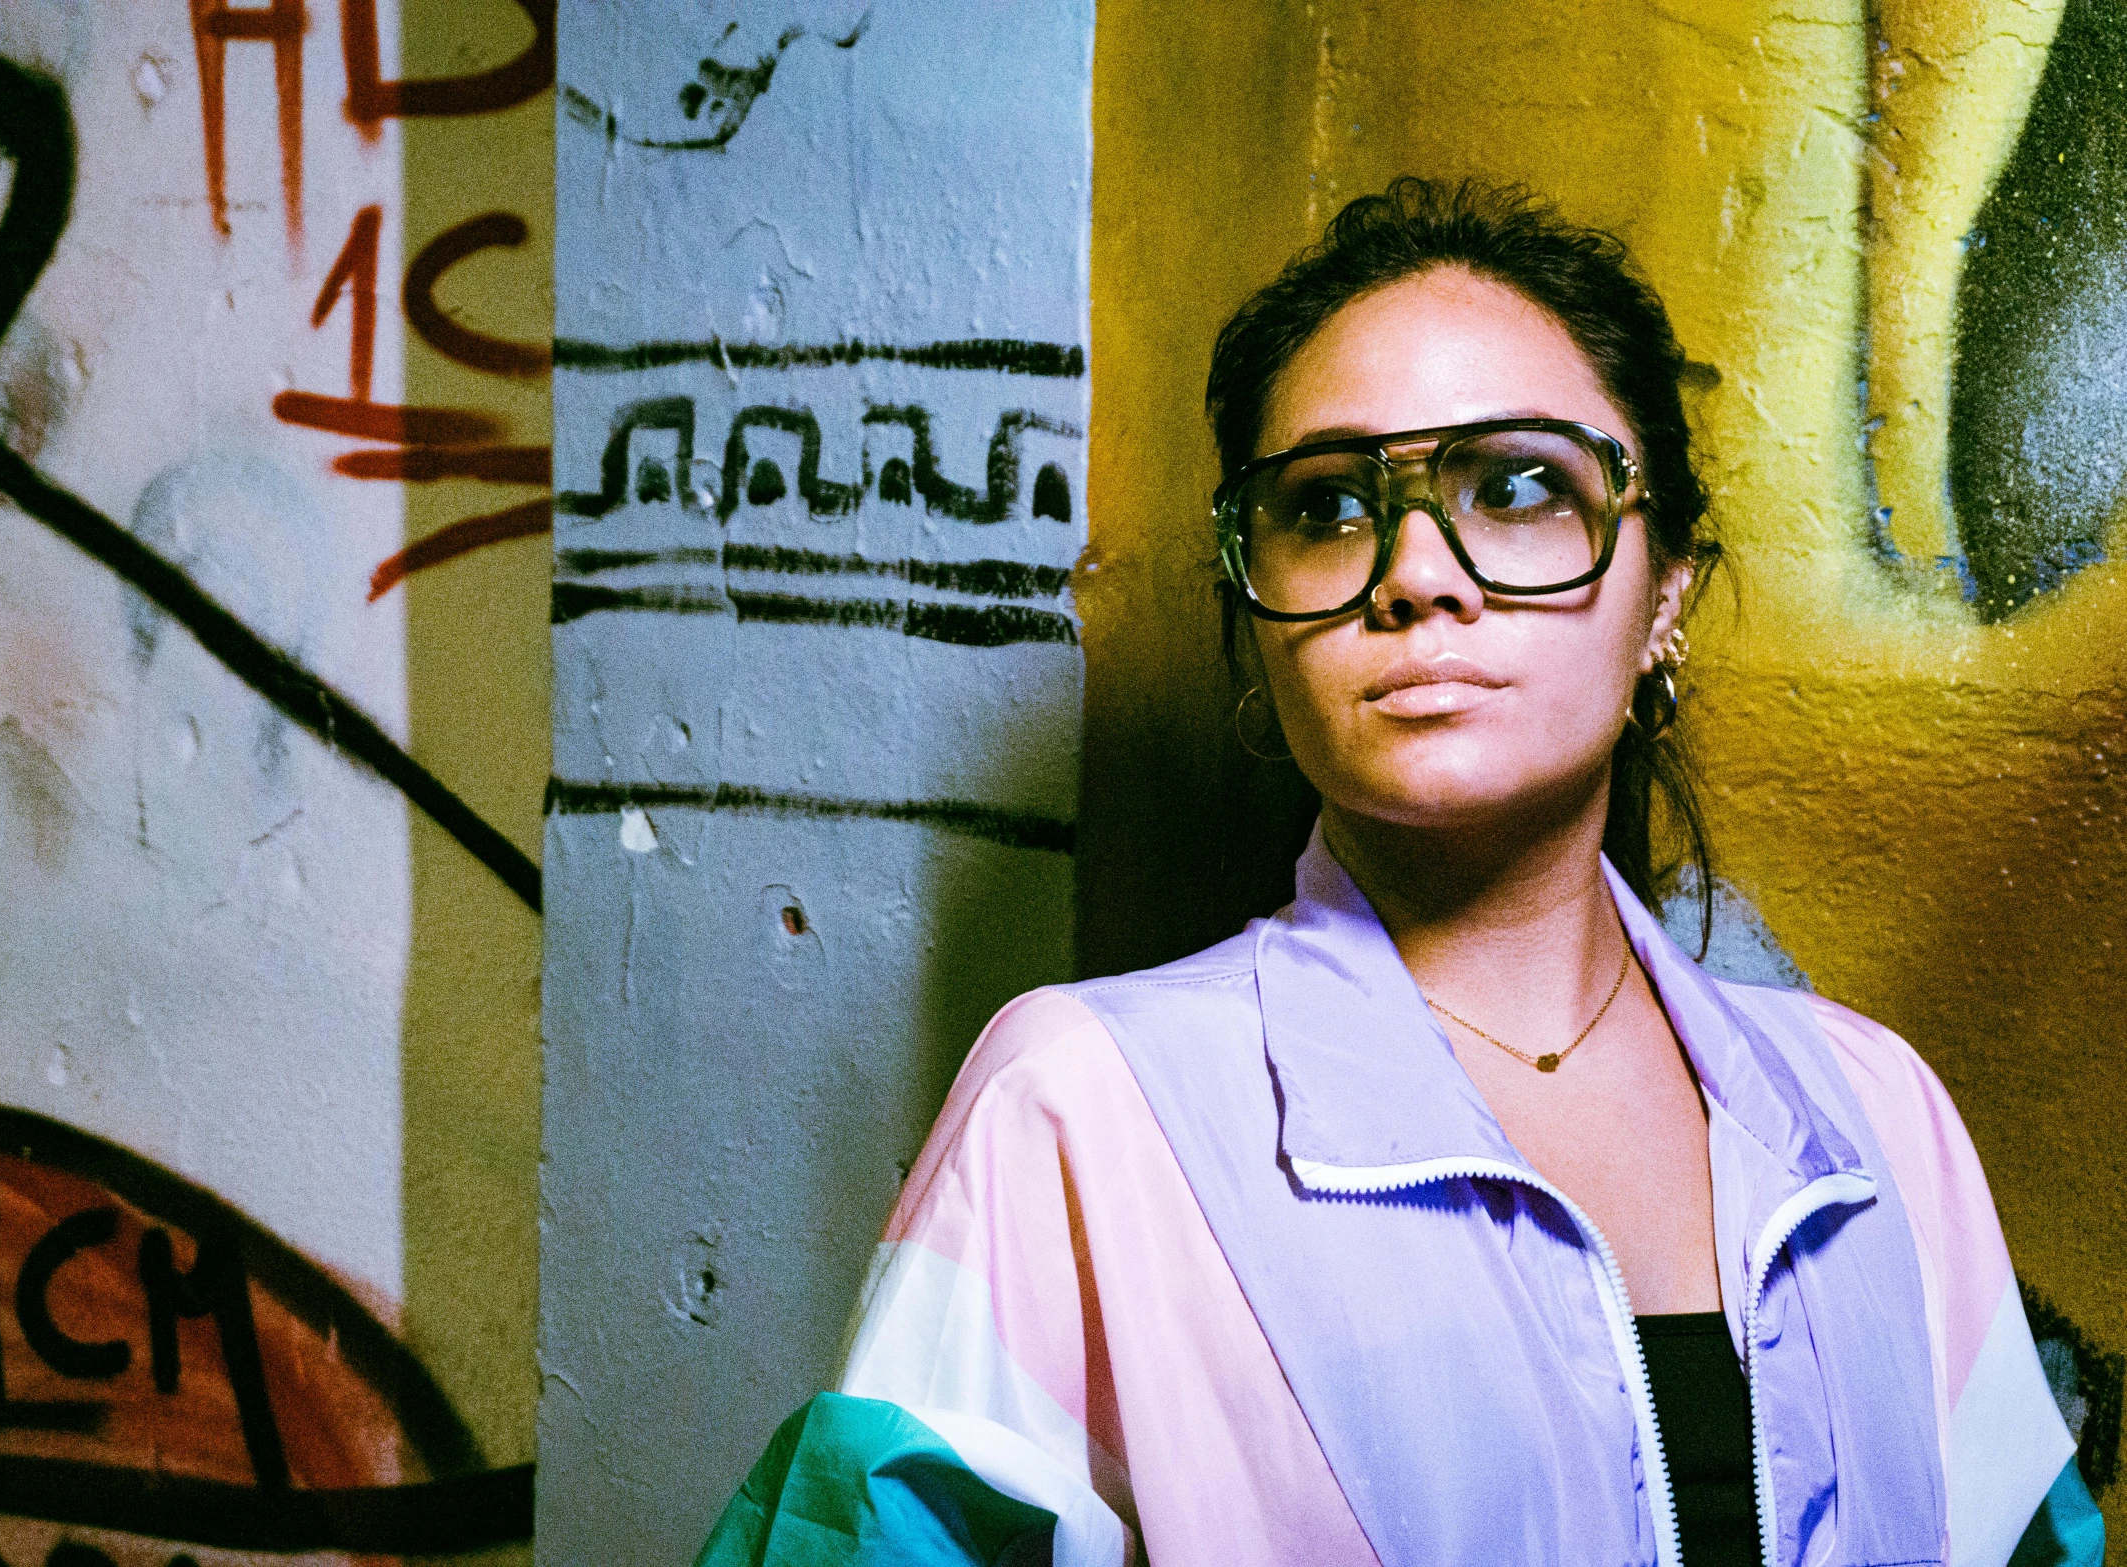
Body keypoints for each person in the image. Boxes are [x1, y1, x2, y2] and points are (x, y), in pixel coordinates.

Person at [695, 179, 2101, 1567]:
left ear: (1663, 587)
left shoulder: (1872, 1116)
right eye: (1326, 506)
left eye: (1517, 486)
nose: (1415, 574)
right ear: (1253, 626)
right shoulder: (1079, 1111)